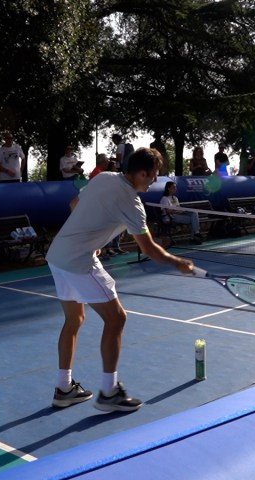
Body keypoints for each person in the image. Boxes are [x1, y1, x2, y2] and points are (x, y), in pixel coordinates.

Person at [46, 147, 194, 413]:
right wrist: (178, 263)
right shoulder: (132, 204)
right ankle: (109, 392)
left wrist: (89, 236)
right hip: (78, 260)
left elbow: (74, 206)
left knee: (74, 319)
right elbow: (148, 249)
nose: (154, 181)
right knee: (116, 318)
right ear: (140, 173)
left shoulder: (103, 177)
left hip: (57, 255)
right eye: (153, 176)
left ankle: (63, 388)